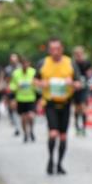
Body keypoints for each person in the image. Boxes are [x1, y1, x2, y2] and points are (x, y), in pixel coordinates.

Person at [35, 36, 82, 174]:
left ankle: (60, 164)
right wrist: (41, 84)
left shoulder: (70, 63)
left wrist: (72, 83)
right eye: (52, 49)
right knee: (53, 133)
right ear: (49, 50)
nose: (55, 51)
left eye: (58, 48)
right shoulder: (43, 63)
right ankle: (50, 160)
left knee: (63, 136)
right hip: (50, 102)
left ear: (62, 49)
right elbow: (35, 80)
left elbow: (79, 83)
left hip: (66, 103)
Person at [9, 57, 38, 143]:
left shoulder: (33, 72)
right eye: (23, 64)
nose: (25, 65)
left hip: (31, 98)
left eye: (26, 63)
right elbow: (11, 85)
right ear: (21, 64)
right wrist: (16, 87)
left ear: (29, 64)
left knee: (31, 116)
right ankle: (25, 134)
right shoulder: (16, 73)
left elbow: (38, 83)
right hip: (20, 98)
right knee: (23, 118)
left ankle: (31, 130)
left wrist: (35, 84)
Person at [71, 46, 92, 136]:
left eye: (80, 54)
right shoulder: (73, 64)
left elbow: (90, 74)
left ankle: (84, 127)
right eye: (77, 54)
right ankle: (77, 126)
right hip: (75, 89)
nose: (79, 56)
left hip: (84, 88)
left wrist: (89, 78)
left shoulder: (87, 63)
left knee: (83, 107)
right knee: (77, 108)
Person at [4, 53, 22, 136]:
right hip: (11, 91)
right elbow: (6, 80)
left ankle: (21, 125)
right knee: (13, 108)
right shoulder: (7, 69)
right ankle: (17, 127)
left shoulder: (21, 67)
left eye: (15, 60)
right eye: (12, 60)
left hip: (22, 91)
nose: (13, 61)